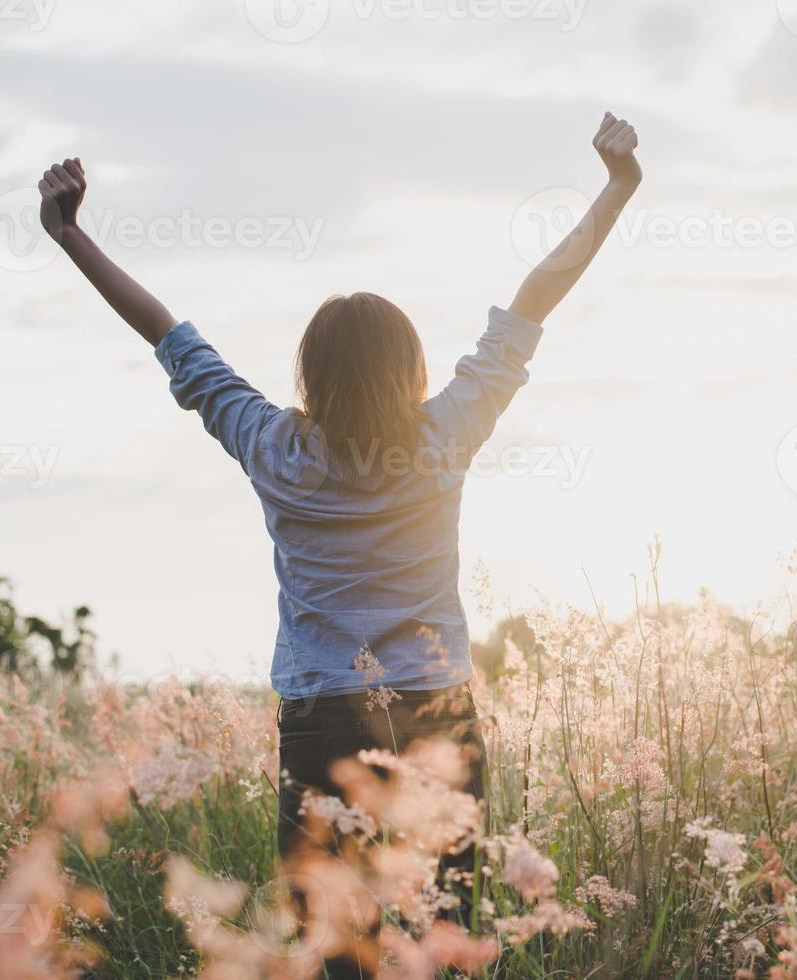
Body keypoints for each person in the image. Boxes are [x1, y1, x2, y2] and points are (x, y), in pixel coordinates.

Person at [36, 112, 641, 959]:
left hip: (322, 719)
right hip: (437, 716)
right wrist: (616, 189)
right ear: (412, 369)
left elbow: (168, 335)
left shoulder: (272, 447)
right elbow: (534, 300)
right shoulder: (445, 434)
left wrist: (69, 235)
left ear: (309, 374)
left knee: (332, 947)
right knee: (439, 938)